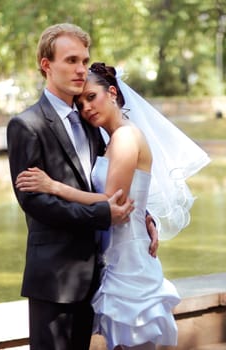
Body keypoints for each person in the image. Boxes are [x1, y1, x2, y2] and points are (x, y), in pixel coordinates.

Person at [15, 62, 210, 349]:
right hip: (113, 255)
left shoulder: (125, 137)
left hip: (129, 259)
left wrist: (53, 186)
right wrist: (145, 214)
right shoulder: (106, 138)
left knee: (133, 339)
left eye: (91, 97)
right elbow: (129, 197)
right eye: (80, 103)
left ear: (112, 92)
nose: (86, 108)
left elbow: (111, 201)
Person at [6, 24, 158, 350]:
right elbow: (35, 202)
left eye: (84, 61)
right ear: (47, 65)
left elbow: (115, 180)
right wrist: (104, 214)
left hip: (98, 275)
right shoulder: (26, 126)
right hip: (54, 279)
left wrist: (142, 215)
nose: (80, 69)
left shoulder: (91, 120)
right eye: (71, 60)